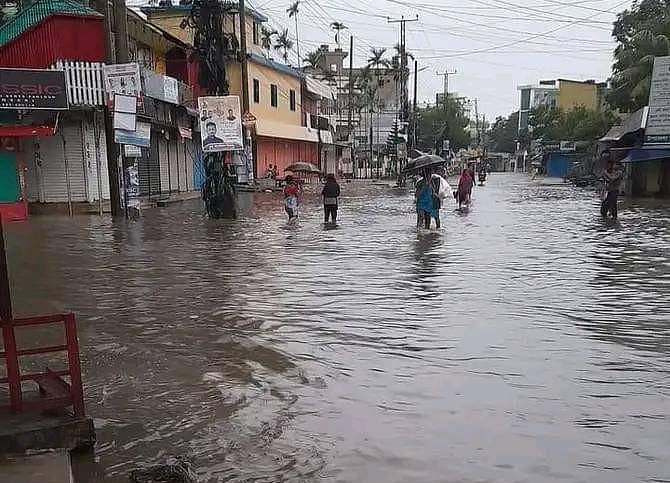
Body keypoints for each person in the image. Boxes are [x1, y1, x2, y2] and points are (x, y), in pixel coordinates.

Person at [600, 154, 622, 220]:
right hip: (608, 191)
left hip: (614, 190)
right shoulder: (607, 172)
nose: (608, 166)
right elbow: (605, 180)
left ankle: (614, 216)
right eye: (607, 165)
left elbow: (612, 179)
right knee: (605, 203)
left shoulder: (618, 172)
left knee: (613, 203)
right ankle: (606, 216)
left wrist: (605, 174)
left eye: (610, 165)